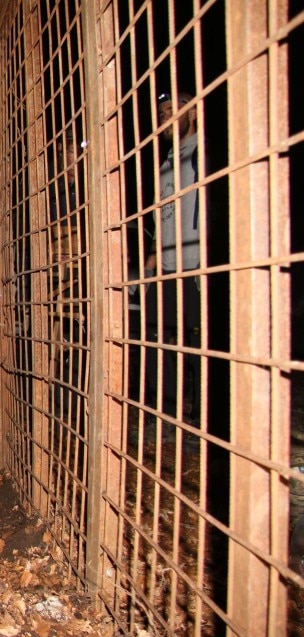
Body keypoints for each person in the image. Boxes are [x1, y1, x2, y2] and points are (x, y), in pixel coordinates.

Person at [144, 91, 202, 423]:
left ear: (191, 112)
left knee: (196, 345)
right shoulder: (168, 160)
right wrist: (150, 271)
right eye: (162, 113)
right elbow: (160, 223)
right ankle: (165, 411)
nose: (165, 119)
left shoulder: (200, 153)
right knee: (155, 339)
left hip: (195, 266)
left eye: (171, 111)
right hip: (166, 269)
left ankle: (201, 417)